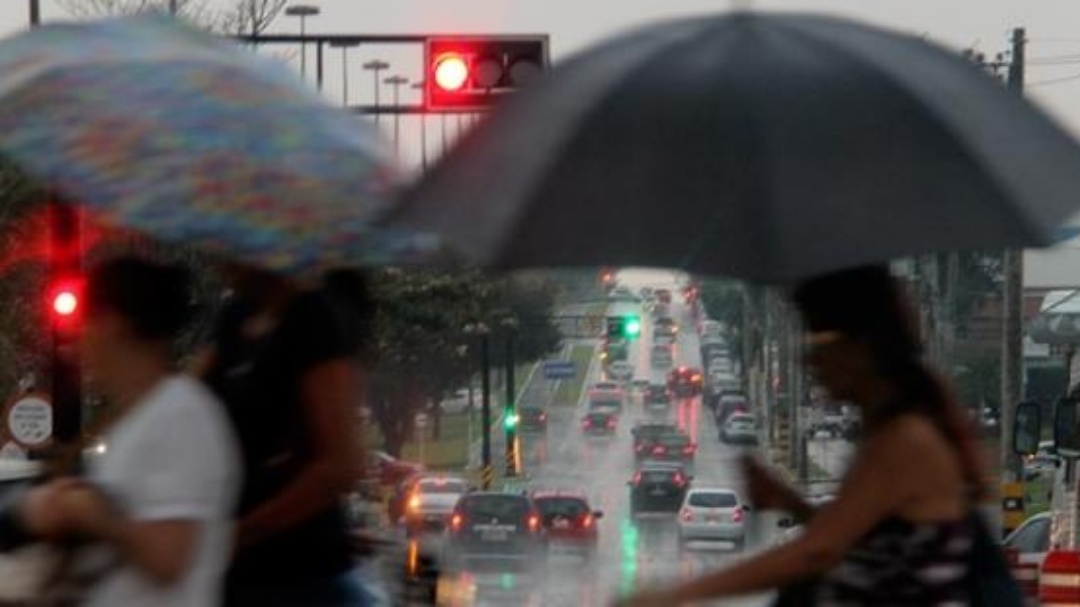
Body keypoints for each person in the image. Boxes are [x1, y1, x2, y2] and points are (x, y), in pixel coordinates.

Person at [619, 265, 988, 607]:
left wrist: (676, 595)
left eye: (820, 344)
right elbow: (856, 539)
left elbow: (818, 551)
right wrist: (787, 501)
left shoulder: (904, 440)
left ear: (861, 348)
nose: (809, 362)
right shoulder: (887, 434)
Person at [19, 256, 241, 607]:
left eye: (86, 320)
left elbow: (168, 559)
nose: (79, 337)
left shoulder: (182, 416)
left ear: (112, 323)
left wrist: (95, 515)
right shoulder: (137, 417)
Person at [200, 265, 371, 606]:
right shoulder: (234, 318)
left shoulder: (313, 320)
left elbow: (341, 465)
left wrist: (242, 533)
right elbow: (191, 404)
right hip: (233, 577)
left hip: (302, 575)